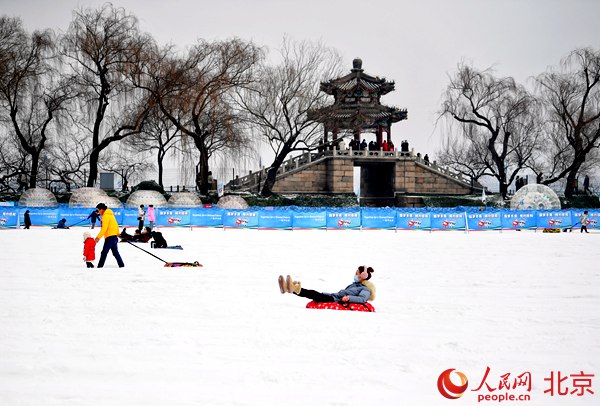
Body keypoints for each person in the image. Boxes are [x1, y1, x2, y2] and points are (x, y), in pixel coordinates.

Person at [278, 265, 376, 304]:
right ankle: (289, 288)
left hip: (335, 300)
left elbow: (362, 299)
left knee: (314, 294)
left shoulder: (365, 289)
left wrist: (349, 298)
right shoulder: (354, 285)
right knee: (314, 293)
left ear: (362, 276)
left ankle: (293, 289)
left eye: (357, 273)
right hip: (333, 296)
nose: (355, 275)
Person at [95, 203, 125, 268]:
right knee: (115, 253)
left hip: (110, 237)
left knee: (104, 252)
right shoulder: (110, 215)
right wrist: (117, 233)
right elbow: (116, 225)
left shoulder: (106, 216)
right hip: (114, 237)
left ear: (101, 209)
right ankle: (121, 265)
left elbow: (104, 228)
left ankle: (99, 267)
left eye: (98, 210)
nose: (98, 212)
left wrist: (98, 237)